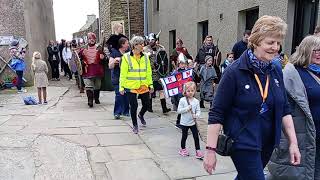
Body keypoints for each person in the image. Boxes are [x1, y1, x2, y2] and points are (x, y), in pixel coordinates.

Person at [203, 15, 301, 180]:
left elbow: (284, 108)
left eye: (278, 43)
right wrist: (210, 151)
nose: (275, 48)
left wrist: (293, 143)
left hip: (267, 141)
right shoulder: (234, 72)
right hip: (243, 141)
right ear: (255, 41)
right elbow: (216, 112)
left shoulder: (275, 69)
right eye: (270, 43)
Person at [267, 35, 320, 180]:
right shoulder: (291, 74)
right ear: (305, 51)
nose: (319, 53)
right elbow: (282, 109)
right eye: (315, 50)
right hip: (303, 138)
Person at [119, 35, 153, 134]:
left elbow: (148, 72)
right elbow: (123, 73)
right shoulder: (126, 57)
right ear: (135, 45)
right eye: (141, 44)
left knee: (146, 104)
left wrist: (150, 85)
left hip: (143, 85)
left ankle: (141, 115)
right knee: (133, 106)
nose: (143, 45)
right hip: (131, 85)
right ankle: (135, 125)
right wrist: (121, 87)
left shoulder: (146, 56)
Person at [144, 32, 171, 114]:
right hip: (150, 73)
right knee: (151, 90)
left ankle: (164, 108)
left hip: (159, 73)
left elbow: (163, 59)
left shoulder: (160, 48)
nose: (151, 41)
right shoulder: (145, 49)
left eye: (152, 40)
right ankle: (149, 107)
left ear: (156, 40)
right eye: (149, 40)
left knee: (161, 90)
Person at [177, 81, 203, 158]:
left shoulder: (196, 101)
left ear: (195, 91)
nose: (190, 92)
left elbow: (198, 111)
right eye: (188, 91)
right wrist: (187, 108)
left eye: (192, 90)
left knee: (196, 136)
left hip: (193, 123)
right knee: (184, 136)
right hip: (184, 123)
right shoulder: (182, 100)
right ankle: (183, 149)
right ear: (185, 91)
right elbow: (179, 110)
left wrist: (196, 115)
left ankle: (198, 151)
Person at [79, 32, 105, 107]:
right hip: (87, 71)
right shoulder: (83, 49)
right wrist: (82, 62)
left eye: (93, 38)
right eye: (90, 38)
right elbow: (78, 59)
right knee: (88, 86)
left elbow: (105, 58)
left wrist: (103, 58)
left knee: (97, 86)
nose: (92, 40)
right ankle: (90, 100)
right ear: (87, 40)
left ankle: (96, 98)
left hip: (97, 71)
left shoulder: (99, 48)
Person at [109, 37, 130, 119]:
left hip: (127, 77)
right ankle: (117, 112)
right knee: (119, 95)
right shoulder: (114, 52)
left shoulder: (129, 52)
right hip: (117, 77)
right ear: (122, 44)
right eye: (127, 43)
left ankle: (126, 111)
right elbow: (110, 66)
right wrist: (114, 61)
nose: (128, 45)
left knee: (127, 95)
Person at [171, 53, 189, 128]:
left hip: (185, 93)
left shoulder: (187, 72)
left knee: (185, 109)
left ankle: (181, 122)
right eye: (181, 63)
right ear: (178, 64)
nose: (183, 65)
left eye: (184, 63)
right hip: (178, 94)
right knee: (181, 108)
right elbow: (172, 82)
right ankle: (179, 123)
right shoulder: (175, 72)